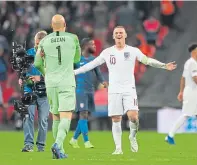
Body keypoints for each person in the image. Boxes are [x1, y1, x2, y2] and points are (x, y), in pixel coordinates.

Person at [74, 26, 177, 155]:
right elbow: (91, 65)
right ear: (113, 36)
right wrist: (74, 72)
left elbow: (147, 60)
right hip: (114, 89)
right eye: (116, 33)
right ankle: (118, 148)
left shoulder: (133, 51)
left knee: (133, 117)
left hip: (129, 88)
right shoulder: (107, 52)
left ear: (125, 35)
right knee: (116, 118)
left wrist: (163, 65)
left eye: (121, 33)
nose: (118, 34)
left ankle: (132, 136)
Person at [34, 14, 81, 159]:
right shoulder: (73, 38)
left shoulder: (44, 40)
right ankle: (57, 145)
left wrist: (45, 73)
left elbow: (37, 63)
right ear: (65, 24)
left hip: (51, 83)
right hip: (66, 81)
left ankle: (57, 154)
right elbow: (77, 59)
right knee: (66, 116)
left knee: (55, 117)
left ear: (51, 25)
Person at [69, 38, 107, 149]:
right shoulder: (76, 60)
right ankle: (86, 142)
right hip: (80, 91)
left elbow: (98, 73)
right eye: (92, 44)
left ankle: (74, 139)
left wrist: (103, 82)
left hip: (90, 91)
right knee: (83, 114)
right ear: (85, 46)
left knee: (85, 117)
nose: (95, 46)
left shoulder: (93, 59)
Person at [18, 31, 50, 152]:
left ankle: (41, 146)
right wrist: (21, 78)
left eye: (40, 44)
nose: (37, 46)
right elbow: (22, 70)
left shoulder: (51, 56)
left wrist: (40, 78)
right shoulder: (29, 53)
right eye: (36, 43)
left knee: (43, 120)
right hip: (29, 89)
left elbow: (54, 75)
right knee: (28, 116)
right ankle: (28, 144)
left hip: (45, 92)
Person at [166, 44, 197, 144]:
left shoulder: (188, 63)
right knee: (185, 115)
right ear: (193, 51)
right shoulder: (193, 63)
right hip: (192, 93)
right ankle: (170, 135)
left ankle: (170, 135)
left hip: (190, 91)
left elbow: (183, 78)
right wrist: (182, 91)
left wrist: (181, 91)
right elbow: (195, 78)